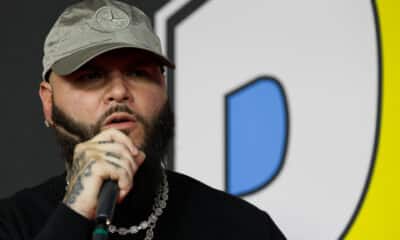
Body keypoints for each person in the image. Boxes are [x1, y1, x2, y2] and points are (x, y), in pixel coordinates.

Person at [0, 0, 286, 239]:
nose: (119, 91)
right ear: (48, 102)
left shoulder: (239, 227)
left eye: (138, 73)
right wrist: (75, 212)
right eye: (90, 76)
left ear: (164, 89)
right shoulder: (13, 224)